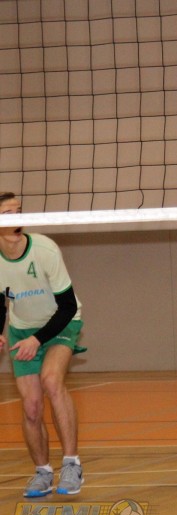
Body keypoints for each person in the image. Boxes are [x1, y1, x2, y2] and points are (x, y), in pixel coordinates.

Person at [0, 192, 86, 497]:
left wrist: (37, 340)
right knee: (31, 406)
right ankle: (42, 472)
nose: (17, 219)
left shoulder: (45, 249)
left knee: (51, 380)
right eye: (8, 214)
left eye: (19, 211)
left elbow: (67, 306)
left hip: (61, 322)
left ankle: (72, 465)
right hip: (22, 329)